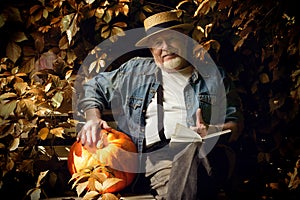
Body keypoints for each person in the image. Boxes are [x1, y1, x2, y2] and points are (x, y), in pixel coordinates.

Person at [77, 10, 244, 200]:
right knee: (189, 188)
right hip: (159, 159)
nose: (165, 47)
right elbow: (93, 87)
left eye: (172, 38)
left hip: (210, 154)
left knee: (191, 145)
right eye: (157, 42)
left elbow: (235, 124)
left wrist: (213, 130)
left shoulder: (214, 76)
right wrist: (93, 118)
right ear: (151, 50)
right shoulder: (135, 71)